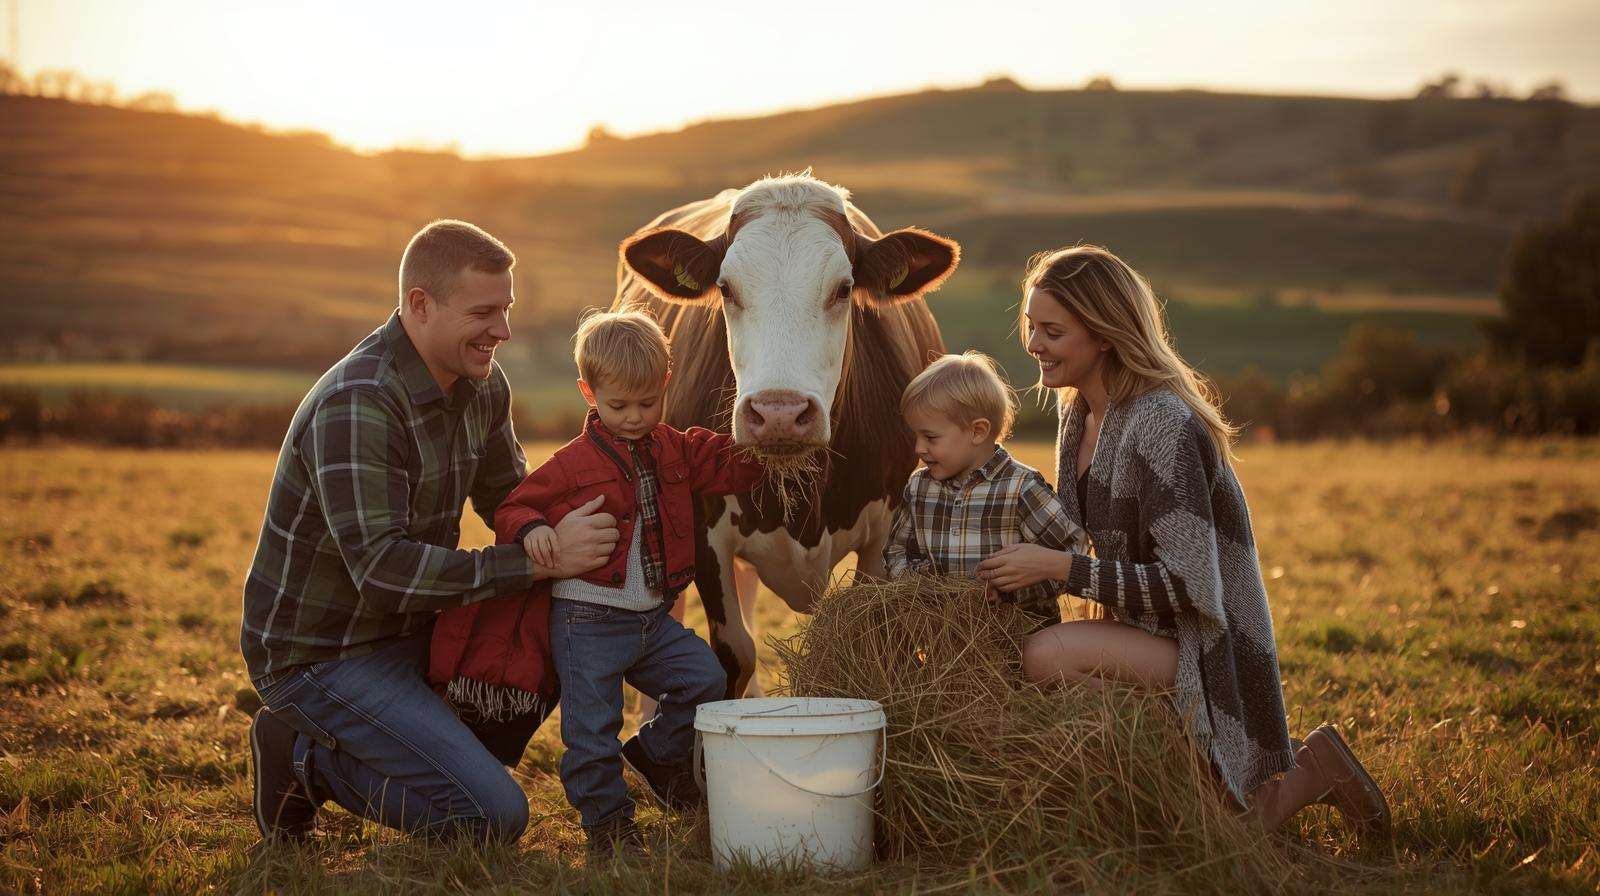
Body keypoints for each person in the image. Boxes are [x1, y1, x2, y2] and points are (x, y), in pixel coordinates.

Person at [976, 245, 1390, 840]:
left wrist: (1061, 569)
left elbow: (1188, 587)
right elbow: (1067, 534)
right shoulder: (1079, 416)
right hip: (1142, 631)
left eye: (1053, 331)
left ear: (1104, 335)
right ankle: (1215, 781)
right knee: (1208, 828)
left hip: (1204, 640)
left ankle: (1281, 772)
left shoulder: (1162, 425)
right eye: (1030, 326)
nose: (1034, 345)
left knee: (1045, 658)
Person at [241, 220, 620, 843]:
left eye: (506, 309)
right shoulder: (359, 402)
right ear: (420, 305)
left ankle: (434, 748)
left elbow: (509, 498)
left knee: (558, 631)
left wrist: (598, 518)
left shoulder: (482, 383)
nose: (503, 330)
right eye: (483, 312)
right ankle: (299, 757)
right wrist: (538, 563)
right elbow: (384, 572)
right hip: (323, 654)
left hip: (416, 630)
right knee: (490, 817)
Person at [434, 310, 763, 858]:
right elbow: (515, 507)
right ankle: (608, 825)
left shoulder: (677, 449)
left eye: (647, 403)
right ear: (589, 393)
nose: (634, 418)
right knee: (592, 731)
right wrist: (535, 529)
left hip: (651, 619)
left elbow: (731, 465)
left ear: (665, 384)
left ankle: (656, 753)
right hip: (587, 622)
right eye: (618, 405)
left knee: (705, 677)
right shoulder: (572, 463)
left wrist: (767, 440)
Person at [882, 351, 1088, 630]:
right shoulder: (919, 487)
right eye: (915, 435)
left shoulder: (1021, 488)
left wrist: (1011, 592)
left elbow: (1072, 553)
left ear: (978, 431)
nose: (919, 448)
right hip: (945, 641)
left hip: (1019, 641)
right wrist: (919, 588)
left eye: (930, 437)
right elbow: (896, 551)